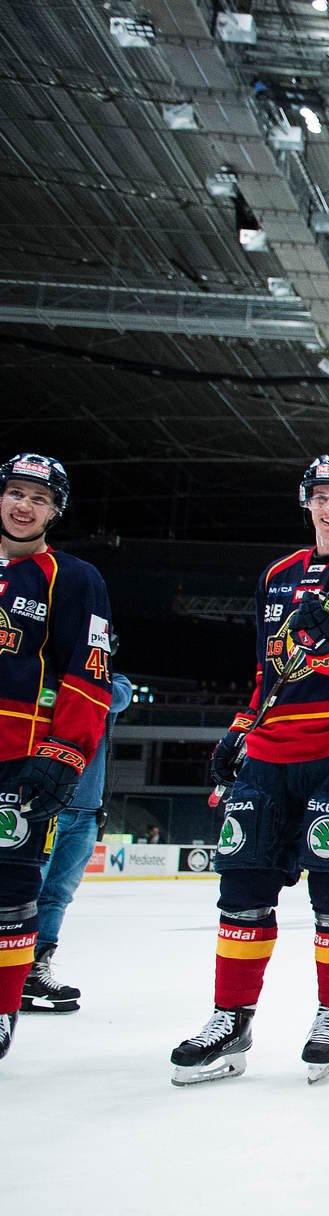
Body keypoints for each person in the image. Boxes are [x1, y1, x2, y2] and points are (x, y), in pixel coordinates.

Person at [169, 456, 329, 1084]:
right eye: (320, 497)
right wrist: (240, 729)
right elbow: (264, 676)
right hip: (270, 755)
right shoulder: (277, 576)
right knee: (242, 892)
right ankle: (231, 1018)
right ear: (305, 502)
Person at [0, 453, 114, 1061]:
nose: (24, 506)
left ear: (56, 511)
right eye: (15, 493)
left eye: (39, 499)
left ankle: (4, 1005)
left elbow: (90, 674)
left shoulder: (72, 578)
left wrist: (64, 751)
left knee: (17, 892)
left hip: (19, 759)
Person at [25, 665, 133, 1012]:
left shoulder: (111, 682)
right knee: (23, 889)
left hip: (86, 809)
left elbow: (118, 697)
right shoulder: (43, 674)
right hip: (44, 801)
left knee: (57, 895)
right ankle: (12, 966)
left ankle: (35, 969)